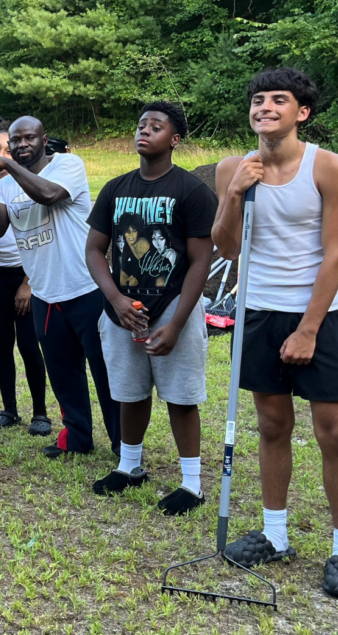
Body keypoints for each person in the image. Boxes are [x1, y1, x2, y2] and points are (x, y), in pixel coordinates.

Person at [211, 68, 338, 598]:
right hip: (257, 311)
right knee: (272, 425)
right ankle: (275, 535)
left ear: (302, 112)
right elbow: (226, 248)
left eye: (280, 100)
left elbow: (337, 252)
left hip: (319, 314)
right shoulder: (234, 167)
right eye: (259, 100)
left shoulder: (329, 167)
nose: (266, 107)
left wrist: (308, 329)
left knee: (334, 432)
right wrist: (233, 193)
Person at [85, 102, 216, 516]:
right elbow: (93, 250)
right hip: (123, 310)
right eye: (141, 125)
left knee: (180, 396)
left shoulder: (191, 191)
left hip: (173, 306)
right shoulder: (116, 188)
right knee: (129, 391)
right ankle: (129, 467)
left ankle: (192, 485)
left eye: (156, 127)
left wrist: (177, 322)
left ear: (174, 139)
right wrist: (115, 299)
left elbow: (200, 261)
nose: (145, 131)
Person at [0, 116, 120, 459]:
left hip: (86, 287)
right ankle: (77, 436)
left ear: (44, 140)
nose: (22, 144)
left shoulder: (67, 165)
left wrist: (7, 167)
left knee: (105, 372)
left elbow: (49, 194)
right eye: (16, 140)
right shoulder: (9, 184)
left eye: (30, 138)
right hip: (45, 293)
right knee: (63, 372)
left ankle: (123, 444)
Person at [0, 123, 49, 432]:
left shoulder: (29, 185)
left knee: (28, 344)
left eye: (9, 151)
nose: (3, 155)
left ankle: (40, 413)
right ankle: (9, 410)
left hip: (26, 275)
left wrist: (27, 284)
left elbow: (41, 241)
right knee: (2, 342)